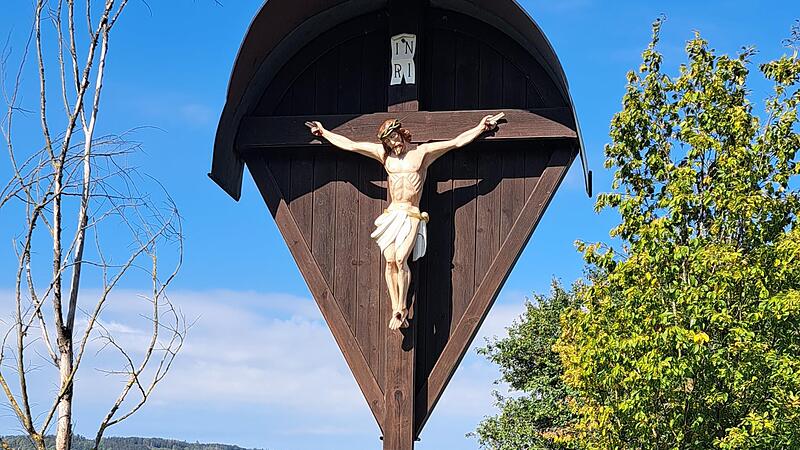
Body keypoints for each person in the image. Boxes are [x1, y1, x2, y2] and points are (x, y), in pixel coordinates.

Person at [306, 113, 503, 330]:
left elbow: (455, 142)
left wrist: (481, 128)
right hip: (392, 214)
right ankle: (395, 309)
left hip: (411, 213)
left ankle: (402, 306)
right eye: (388, 140)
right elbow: (351, 145)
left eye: (395, 137)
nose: (393, 143)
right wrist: (324, 132)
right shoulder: (384, 156)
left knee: (401, 259)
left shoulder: (422, 154)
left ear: (402, 133)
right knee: (390, 260)